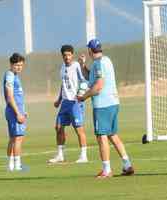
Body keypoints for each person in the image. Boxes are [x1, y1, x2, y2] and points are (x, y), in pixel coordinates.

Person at [77, 39, 134, 178]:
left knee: (101, 136)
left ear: (90, 50)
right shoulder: (106, 60)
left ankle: (106, 170)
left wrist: (84, 97)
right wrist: (83, 65)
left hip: (103, 105)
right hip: (113, 103)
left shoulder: (98, 64)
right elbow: (91, 78)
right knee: (112, 135)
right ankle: (127, 165)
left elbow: (98, 86)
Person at [47, 44, 88, 164]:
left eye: (69, 55)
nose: (67, 57)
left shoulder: (76, 66)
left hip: (75, 102)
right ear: (62, 56)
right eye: (65, 55)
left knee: (78, 129)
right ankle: (60, 155)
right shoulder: (62, 68)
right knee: (58, 127)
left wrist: (80, 94)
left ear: (72, 55)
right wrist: (59, 99)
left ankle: (83, 156)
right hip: (65, 102)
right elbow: (63, 85)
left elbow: (84, 81)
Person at [3, 53, 27, 171]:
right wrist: (18, 113)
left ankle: (11, 165)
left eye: (21, 65)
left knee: (13, 138)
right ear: (11, 64)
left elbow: (18, 96)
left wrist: (23, 111)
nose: (19, 67)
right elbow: (10, 96)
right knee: (18, 138)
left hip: (16, 110)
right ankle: (17, 165)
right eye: (17, 65)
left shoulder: (15, 76)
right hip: (13, 111)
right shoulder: (10, 75)